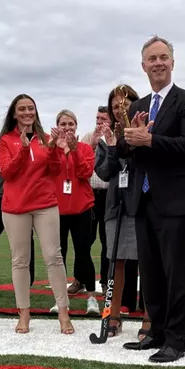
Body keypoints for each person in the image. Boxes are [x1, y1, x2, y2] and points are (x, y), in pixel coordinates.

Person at [120, 35, 185, 363]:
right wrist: (130, 139)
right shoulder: (136, 106)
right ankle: (154, 330)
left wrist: (150, 139)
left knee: (175, 270)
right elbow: (126, 149)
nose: (158, 63)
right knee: (150, 270)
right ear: (143, 66)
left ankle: (175, 340)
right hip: (142, 198)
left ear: (172, 61)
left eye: (163, 57)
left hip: (175, 199)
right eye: (152, 58)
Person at [0, 94, 74, 335]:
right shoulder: (5, 141)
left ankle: (63, 312)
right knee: (20, 260)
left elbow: (55, 169)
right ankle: (24, 313)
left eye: (31, 108)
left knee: (54, 256)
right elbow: (7, 173)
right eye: (22, 109)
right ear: (14, 113)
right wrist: (23, 149)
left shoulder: (46, 138)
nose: (27, 112)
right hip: (16, 207)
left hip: (45, 203)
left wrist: (52, 151)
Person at [94, 84, 144, 337]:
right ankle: (113, 314)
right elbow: (103, 172)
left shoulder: (144, 127)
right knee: (117, 262)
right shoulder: (106, 138)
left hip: (142, 201)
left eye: (124, 103)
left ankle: (150, 317)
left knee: (147, 261)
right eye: (115, 106)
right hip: (116, 203)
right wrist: (112, 146)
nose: (119, 108)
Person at [53, 109, 100, 315]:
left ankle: (91, 297)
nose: (67, 128)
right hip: (57, 209)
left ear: (76, 126)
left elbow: (85, 172)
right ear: (57, 127)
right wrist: (54, 148)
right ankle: (60, 300)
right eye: (63, 124)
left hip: (81, 207)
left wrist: (74, 150)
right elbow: (49, 170)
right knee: (58, 255)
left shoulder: (85, 148)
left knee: (83, 253)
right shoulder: (51, 148)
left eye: (70, 124)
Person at [0, 163, 35, 292]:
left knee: (24, 241)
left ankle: (26, 279)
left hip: (19, 197)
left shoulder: (31, 145)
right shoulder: (2, 144)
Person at [78, 106, 112, 295]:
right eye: (98, 118)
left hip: (108, 195)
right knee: (84, 240)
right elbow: (80, 160)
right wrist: (92, 144)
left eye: (103, 119)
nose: (99, 122)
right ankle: (80, 278)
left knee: (108, 241)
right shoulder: (87, 137)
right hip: (89, 194)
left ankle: (106, 281)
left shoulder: (113, 138)